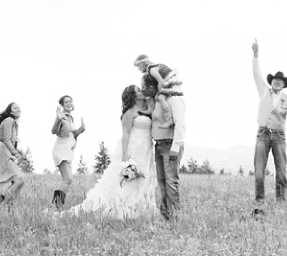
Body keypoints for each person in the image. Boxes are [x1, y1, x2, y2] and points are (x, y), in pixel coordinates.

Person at [62, 85, 157, 219]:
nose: (142, 91)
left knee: (145, 177)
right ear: (133, 96)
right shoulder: (129, 113)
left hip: (146, 149)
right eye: (138, 91)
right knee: (129, 180)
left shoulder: (146, 107)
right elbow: (126, 135)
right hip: (133, 148)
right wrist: (125, 156)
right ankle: (125, 209)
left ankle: (142, 208)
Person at [251, 39, 287, 214]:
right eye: (275, 80)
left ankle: (281, 200)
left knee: (281, 168)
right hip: (263, 133)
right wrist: (256, 55)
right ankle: (260, 200)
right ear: (272, 82)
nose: (277, 83)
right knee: (259, 167)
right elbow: (256, 74)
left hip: (278, 135)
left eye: (280, 81)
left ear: (284, 84)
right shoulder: (263, 91)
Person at [142, 72, 185, 221]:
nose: (143, 90)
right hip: (159, 145)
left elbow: (180, 124)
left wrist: (176, 146)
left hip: (170, 145)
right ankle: (166, 216)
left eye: (145, 87)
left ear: (153, 86)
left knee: (171, 182)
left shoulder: (174, 99)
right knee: (162, 182)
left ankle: (174, 218)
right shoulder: (156, 101)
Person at [0, 102, 27, 205]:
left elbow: (11, 140)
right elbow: (6, 139)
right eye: (15, 108)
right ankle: (2, 205)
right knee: (18, 181)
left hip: (5, 150)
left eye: (19, 108)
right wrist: (16, 153)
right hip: (2, 149)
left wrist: (14, 153)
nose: (18, 109)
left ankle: (10, 206)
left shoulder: (12, 122)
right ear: (10, 111)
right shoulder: (9, 120)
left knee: (20, 181)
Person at [50, 95, 86, 208]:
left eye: (70, 101)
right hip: (61, 150)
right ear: (62, 105)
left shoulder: (70, 118)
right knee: (68, 179)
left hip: (67, 151)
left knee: (68, 180)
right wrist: (58, 119)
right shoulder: (62, 117)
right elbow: (54, 131)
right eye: (66, 102)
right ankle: (56, 207)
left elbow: (72, 135)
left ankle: (57, 207)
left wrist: (81, 129)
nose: (69, 103)